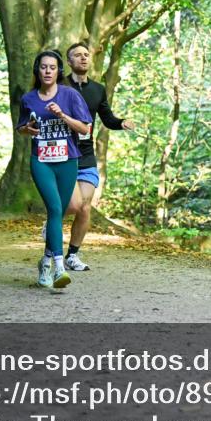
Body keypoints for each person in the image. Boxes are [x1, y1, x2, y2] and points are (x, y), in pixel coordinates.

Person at [16, 50, 91, 289]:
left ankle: (45, 261)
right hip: (41, 161)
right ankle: (59, 268)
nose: (47, 71)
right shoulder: (29, 98)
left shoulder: (70, 95)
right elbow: (21, 128)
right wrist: (28, 129)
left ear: (59, 71)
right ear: (37, 71)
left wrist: (62, 115)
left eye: (52, 67)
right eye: (43, 67)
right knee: (56, 208)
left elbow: (84, 129)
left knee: (56, 214)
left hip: (68, 160)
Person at [56, 42, 134, 271]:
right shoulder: (59, 85)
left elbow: (107, 118)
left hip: (86, 154)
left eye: (86, 55)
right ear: (69, 62)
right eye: (77, 55)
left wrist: (121, 123)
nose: (83, 58)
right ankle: (52, 220)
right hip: (62, 152)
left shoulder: (98, 89)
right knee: (73, 205)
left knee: (85, 207)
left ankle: (72, 255)